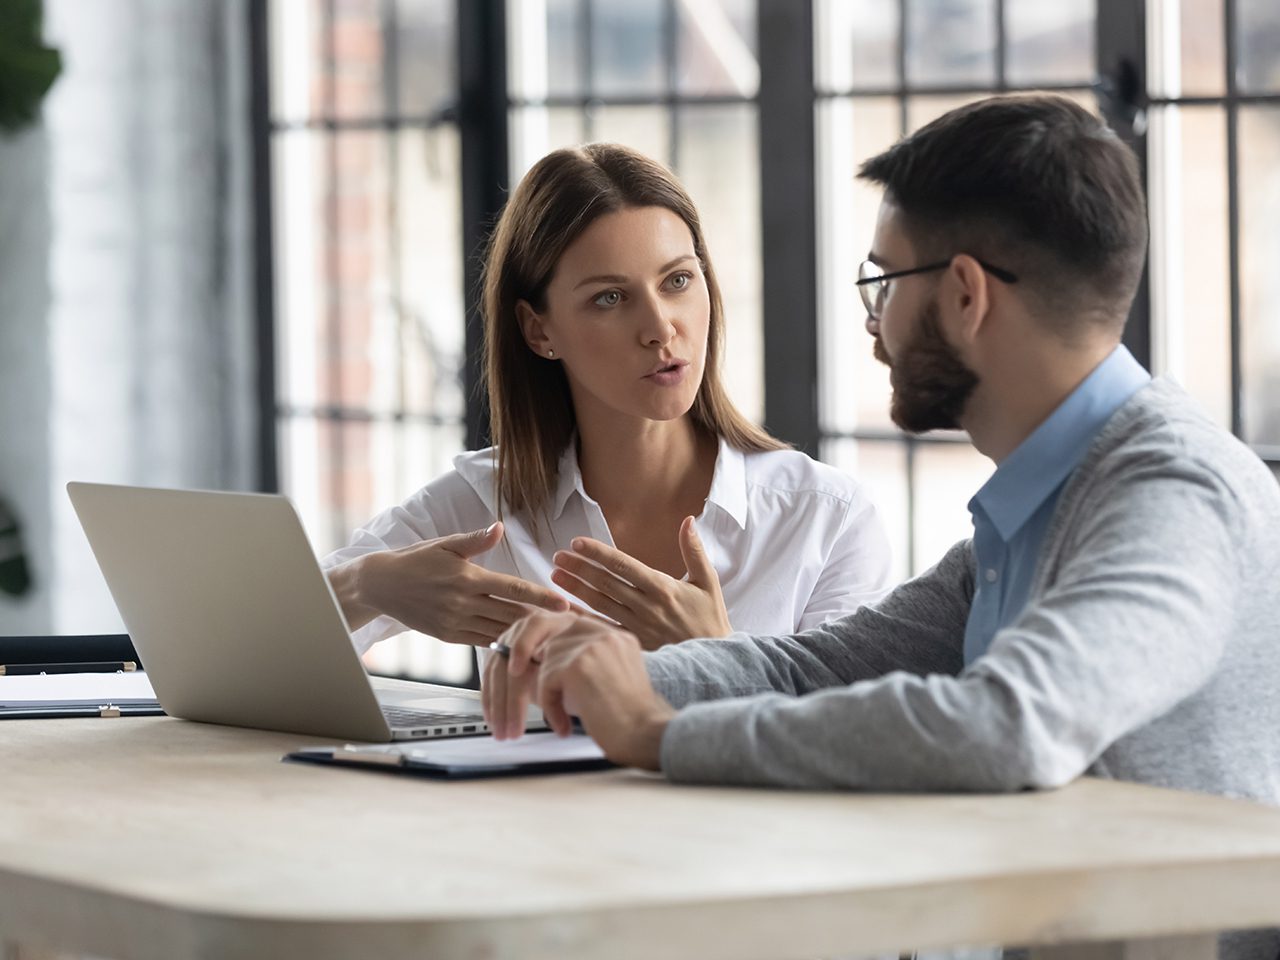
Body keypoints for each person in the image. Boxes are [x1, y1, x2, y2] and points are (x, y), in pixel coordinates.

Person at [486, 95, 1280, 861]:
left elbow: (1006, 725)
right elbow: (812, 669)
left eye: (885, 281)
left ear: (965, 295)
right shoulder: (1042, 505)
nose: (874, 319)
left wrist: (658, 734)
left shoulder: (1170, 492)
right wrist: (602, 668)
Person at [322, 143, 892, 660]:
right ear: (538, 331)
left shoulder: (825, 519)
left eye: (677, 281)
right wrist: (370, 586)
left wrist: (714, 653)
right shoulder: (485, 507)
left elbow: (845, 742)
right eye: (610, 298)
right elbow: (249, 638)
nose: (660, 328)